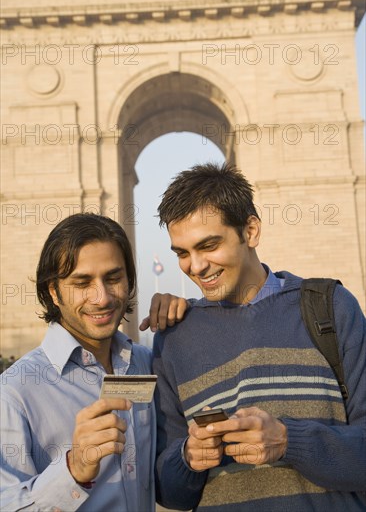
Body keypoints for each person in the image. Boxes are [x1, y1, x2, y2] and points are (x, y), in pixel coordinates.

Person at [152, 163, 366, 511]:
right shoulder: (173, 339)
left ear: (250, 231)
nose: (195, 266)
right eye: (182, 253)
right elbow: (170, 492)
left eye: (209, 245)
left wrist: (288, 441)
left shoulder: (332, 309)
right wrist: (188, 457)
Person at [0, 213, 182, 512]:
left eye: (113, 278)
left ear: (129, 280)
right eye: (82, 282)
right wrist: (73, 470)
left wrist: (191, 320)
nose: (102, 297)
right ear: (53, 292)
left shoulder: (148, 363)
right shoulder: (14, 393)